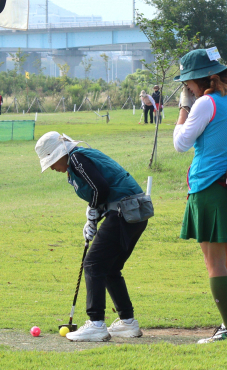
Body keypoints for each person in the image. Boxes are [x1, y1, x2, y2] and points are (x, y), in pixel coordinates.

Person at [173, 48, 227, 343]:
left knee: (215, 264)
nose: (188, 89)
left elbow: (181, 144)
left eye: (189, 85)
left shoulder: (205, 103)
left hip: (209, 188)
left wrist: (183, 110)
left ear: (205, 79)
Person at [35, 132, 148, 342]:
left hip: (125, 211)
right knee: (109, 268)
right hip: (133, 213)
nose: (51, 167)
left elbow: (101, 188)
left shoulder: (76, 158)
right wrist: (92, 216)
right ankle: (127, 322)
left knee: (93, 264)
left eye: (51, 161)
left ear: (61, 153)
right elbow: (101, 190)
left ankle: (96, 323)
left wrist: (94, 213)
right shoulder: (78, 160)